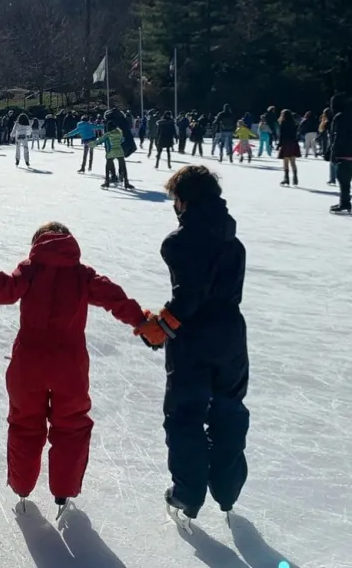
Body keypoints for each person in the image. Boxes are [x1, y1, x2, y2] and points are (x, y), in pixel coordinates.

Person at [0, 222, 147, 508]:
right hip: (69, 366)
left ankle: (22, 488)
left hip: (28, 365)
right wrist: (142, 322)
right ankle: (64, 491)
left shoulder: (30, 269)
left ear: (37, 242)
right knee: (71, 427)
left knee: (24, 425)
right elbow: (113, 297)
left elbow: (4, 289)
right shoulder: (82, 275)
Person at [136, 165, 248, 525]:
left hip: (194, 338)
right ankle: (227, 491)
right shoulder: (233, 240)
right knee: (229, 409)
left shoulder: (179, 242)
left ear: (183, 201)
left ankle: (188, 493)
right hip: (231, 335)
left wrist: (162, 326)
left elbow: (191, 295)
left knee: (186, 415)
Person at [327, 95, 352, 214]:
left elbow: (339, 136)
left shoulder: (340, 117)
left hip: (343, 152)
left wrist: (334, 151)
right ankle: (345, 201)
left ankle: (345, 202)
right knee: (345, 179)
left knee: (342, 178)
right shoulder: (350, 116)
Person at [90, 119, 134, 190]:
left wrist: (90, 144)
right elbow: (122, 139)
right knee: (123, 167)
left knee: (108, 167)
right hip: (119, 151)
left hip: (111, 151)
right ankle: (126, 183)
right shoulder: (120, 132)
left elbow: (99, 140)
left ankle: (107, 182)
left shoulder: (108, 134)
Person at [277, 109, 301, 186]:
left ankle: (286, 178)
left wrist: (279, 144)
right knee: (293, 162)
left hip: (286, 143)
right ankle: (295, 178)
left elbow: (282, 134)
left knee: (286, 162)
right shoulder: (294, 123)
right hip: (293, 143)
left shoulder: (283, 123)